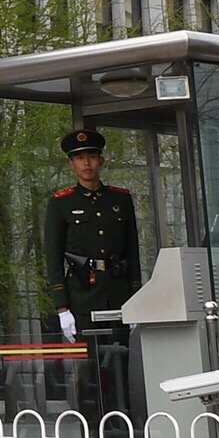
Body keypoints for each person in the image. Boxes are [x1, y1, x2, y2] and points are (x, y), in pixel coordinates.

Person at [42, 124, 141, 335]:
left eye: (92, 156)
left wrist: (135, 298)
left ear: (101, 160)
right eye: (79, 158)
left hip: (117, 293)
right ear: (71, 164)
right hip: (81, 296)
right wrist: (62, 307)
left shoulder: (120, 199)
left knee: (120, 360)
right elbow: (53, 257)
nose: (86, 163)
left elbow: (132, 251)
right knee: (88, 364)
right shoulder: (61, 203)